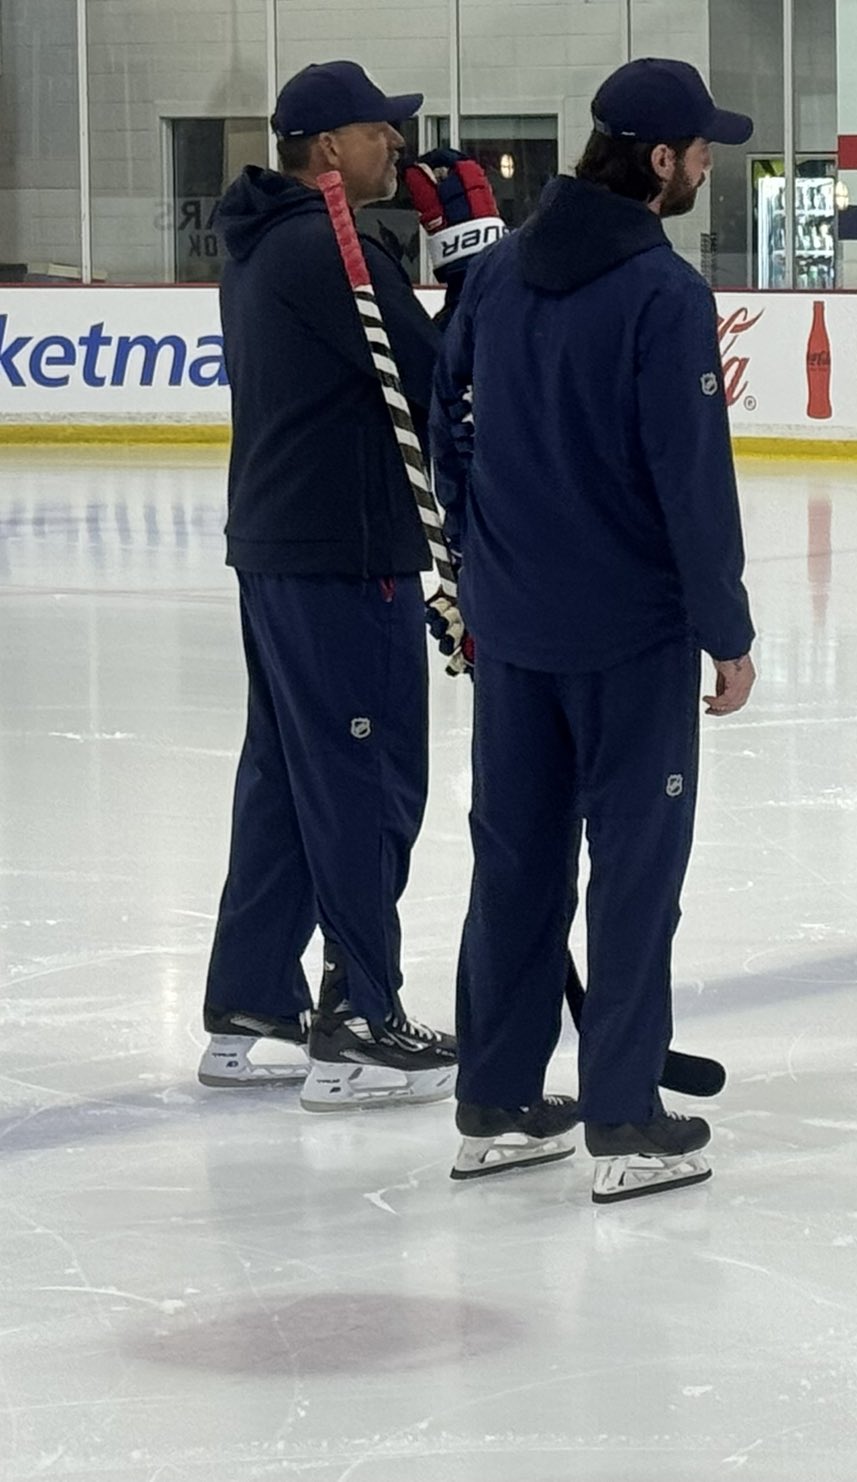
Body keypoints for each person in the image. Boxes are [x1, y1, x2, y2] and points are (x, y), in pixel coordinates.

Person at [431, 58, 757, 1203]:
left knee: (514, 864)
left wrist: (477, 563)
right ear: (658, 161)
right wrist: (726, 627)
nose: (710, 165)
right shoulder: (662, 296)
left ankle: (498, 1098)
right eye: (702, 150)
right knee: (632, 873)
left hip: (513, 630)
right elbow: (690, 477)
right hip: (628, 641)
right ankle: (621, 1112)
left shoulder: (502, 272)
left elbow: (445, 426)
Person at [199, 61, 497, 1110]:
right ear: (328, 149)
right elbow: (444, 377)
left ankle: (251, 996)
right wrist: (472, 255)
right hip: (344, 554)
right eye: (382, 133)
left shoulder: (268, 240)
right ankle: (360, 1016)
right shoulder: (330, 250)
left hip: (282, 545)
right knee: (366, 783)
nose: (400, 150)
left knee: (287, 776)